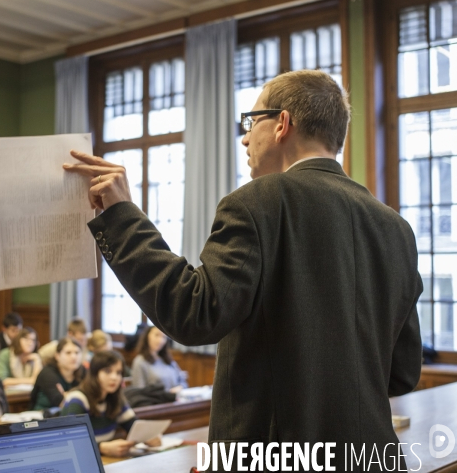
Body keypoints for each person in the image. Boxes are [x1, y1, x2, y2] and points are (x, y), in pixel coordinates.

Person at [63, 70, 423, 469]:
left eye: (252, 123)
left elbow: (194, 313)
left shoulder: (257, 202)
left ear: (283, 123)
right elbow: (402, 373)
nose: (246, 138)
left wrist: (120, 217)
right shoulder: (397, 229)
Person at [61, 351, 158, 457]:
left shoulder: (114, 398)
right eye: (107, 371)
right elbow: (70, 442)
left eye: (118, 372)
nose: (114, 377)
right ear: (94, 373)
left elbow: (133, 425)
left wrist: (149, 436)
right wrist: (101, 448)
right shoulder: (78, 398)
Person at [30, 337, 85, 411]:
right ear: (57, 356)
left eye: (77, 352)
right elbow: (61, 403)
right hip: (42, 417)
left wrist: (68, 395)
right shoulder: (47, 373)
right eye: (68, 353)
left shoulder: (83, 371)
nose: (74, 357)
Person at [131, 326, 187, 393]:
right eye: (156, 335)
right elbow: (139, 391)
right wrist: (168, 393)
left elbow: (183, 382)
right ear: (147, 336)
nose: (160, 340)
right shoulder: (140, 362)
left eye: (163, 337)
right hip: (157, 402)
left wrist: (180, 388)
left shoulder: (168, 360)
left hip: (176, 400)